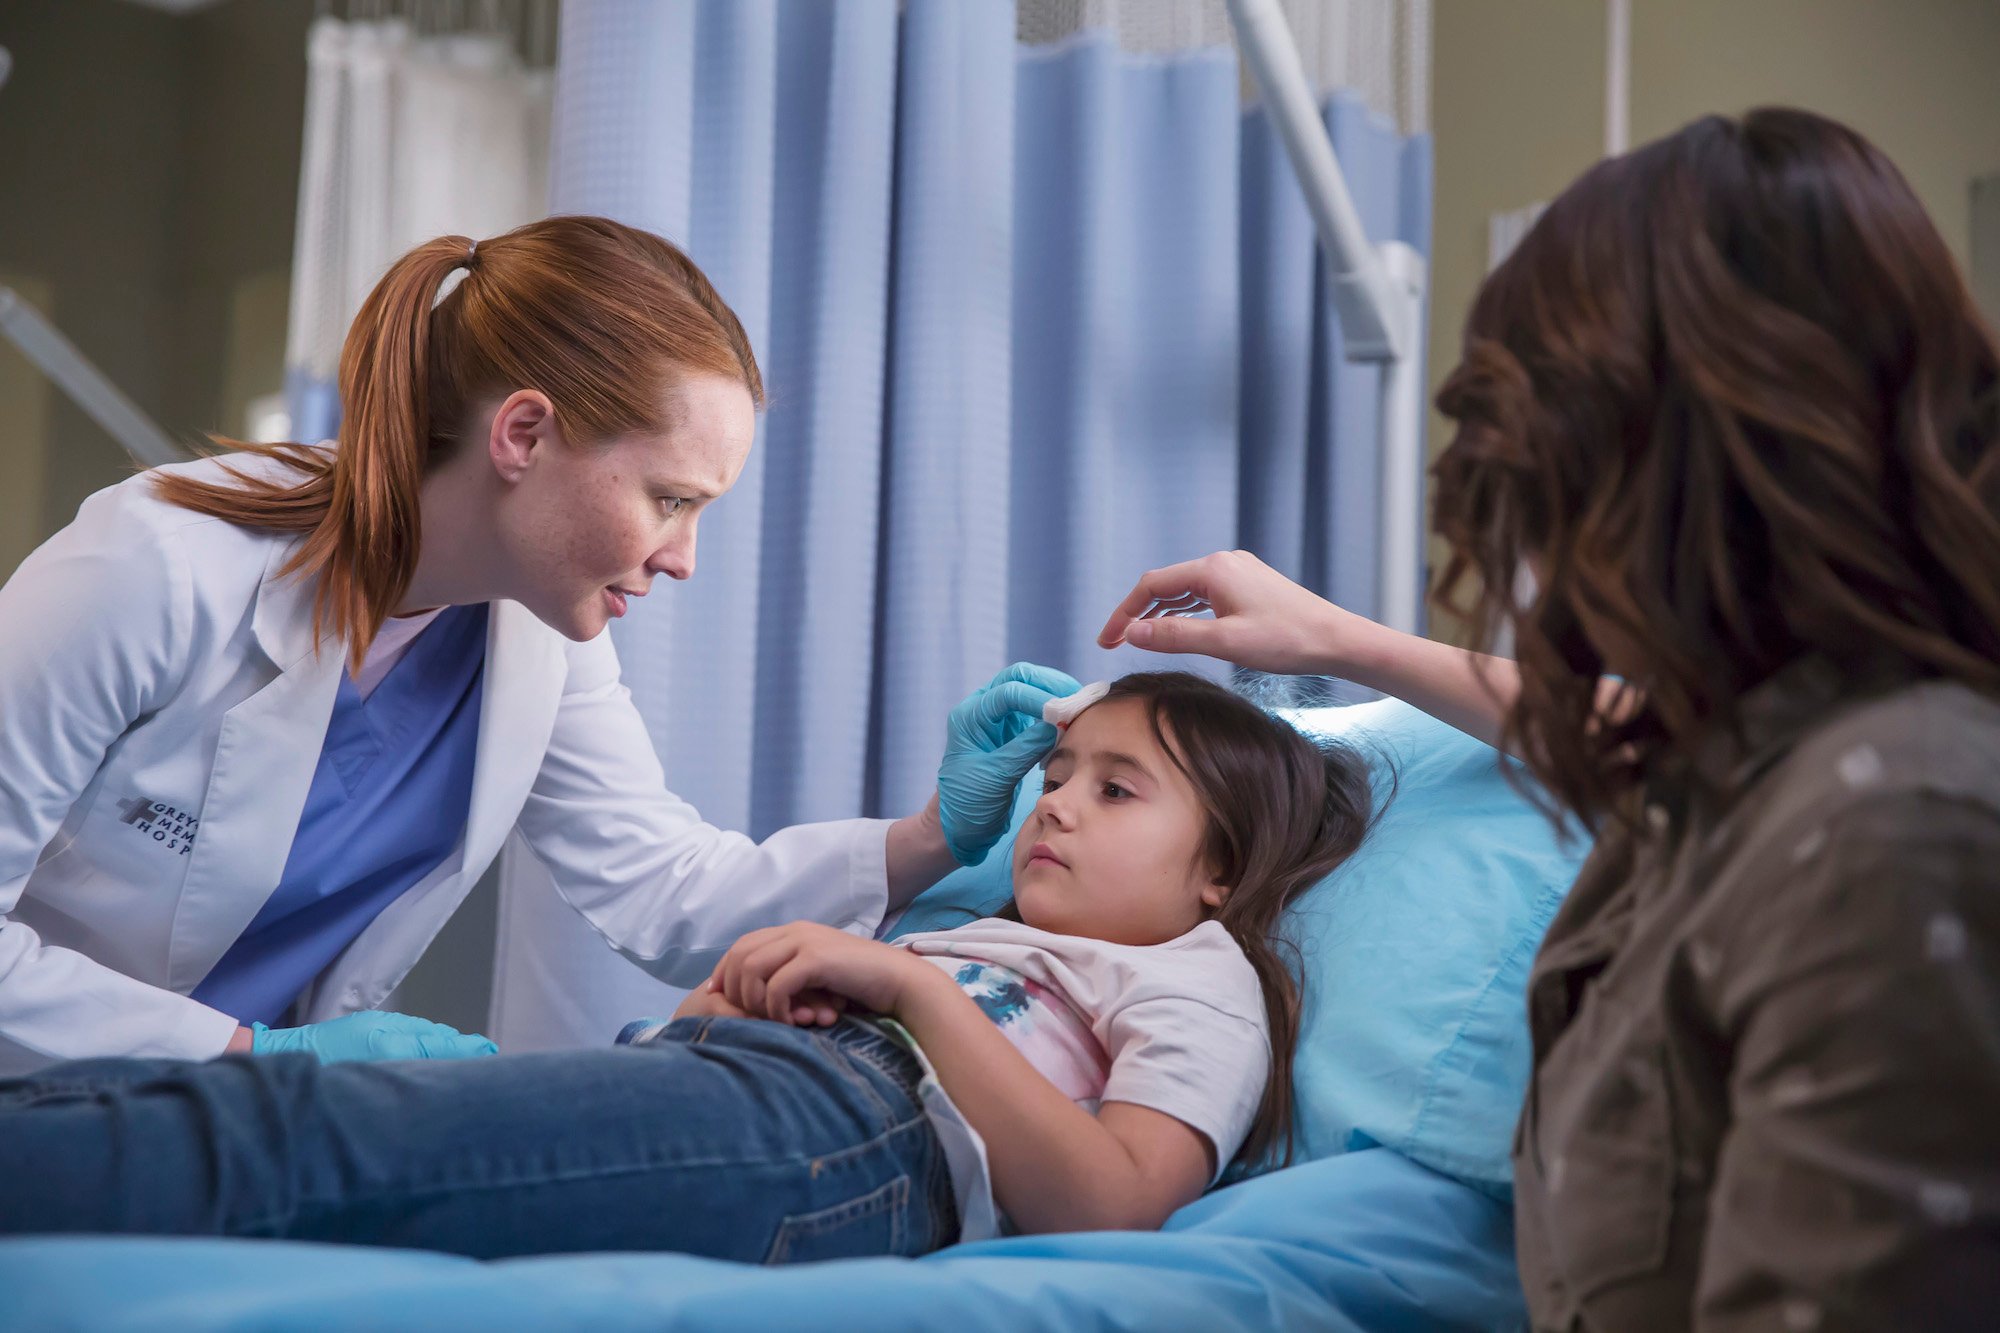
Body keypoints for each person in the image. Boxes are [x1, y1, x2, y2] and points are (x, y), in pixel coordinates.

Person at [1098, 108, 2000, 1328]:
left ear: (1697, 453)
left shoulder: (1885, 829)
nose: (1520, 523)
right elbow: (1611, 727)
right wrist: (1331, 638)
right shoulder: (1735, 776)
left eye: (1553, 449)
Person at [0, 214, 1074, 1073]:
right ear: (522, 434)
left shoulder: (530, 632)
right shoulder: (155, 569)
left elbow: (665, 887)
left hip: (228, 1120)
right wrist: (255, 1050)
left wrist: (938, 832)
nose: (681, 557)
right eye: (668, 499)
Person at [0, 672, 1375, 1262]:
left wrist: (913, 990)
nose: (1055, 804)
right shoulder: (988, 930)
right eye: (1058, 774)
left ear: (1220, 870)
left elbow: (1120, 1208)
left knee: (315, 1142)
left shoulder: (1203, 971)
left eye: (1116, 790)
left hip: (847, 1145)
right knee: (311, 1124)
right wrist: (724, 1004)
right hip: (760, 1095)